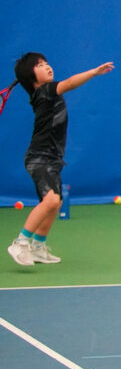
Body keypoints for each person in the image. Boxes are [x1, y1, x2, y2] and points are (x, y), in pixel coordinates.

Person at [5, 53, 114, 266]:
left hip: (52, 159)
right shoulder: (45, 91)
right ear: (30, 76)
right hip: (39, 158)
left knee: (56, 203)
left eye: (46, 62)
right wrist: (93, 72)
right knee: (52, 200)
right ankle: (20, 242)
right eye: (39, 65)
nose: (47, 66)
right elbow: (71, 83)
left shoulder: (47, 94)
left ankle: (37, 246)